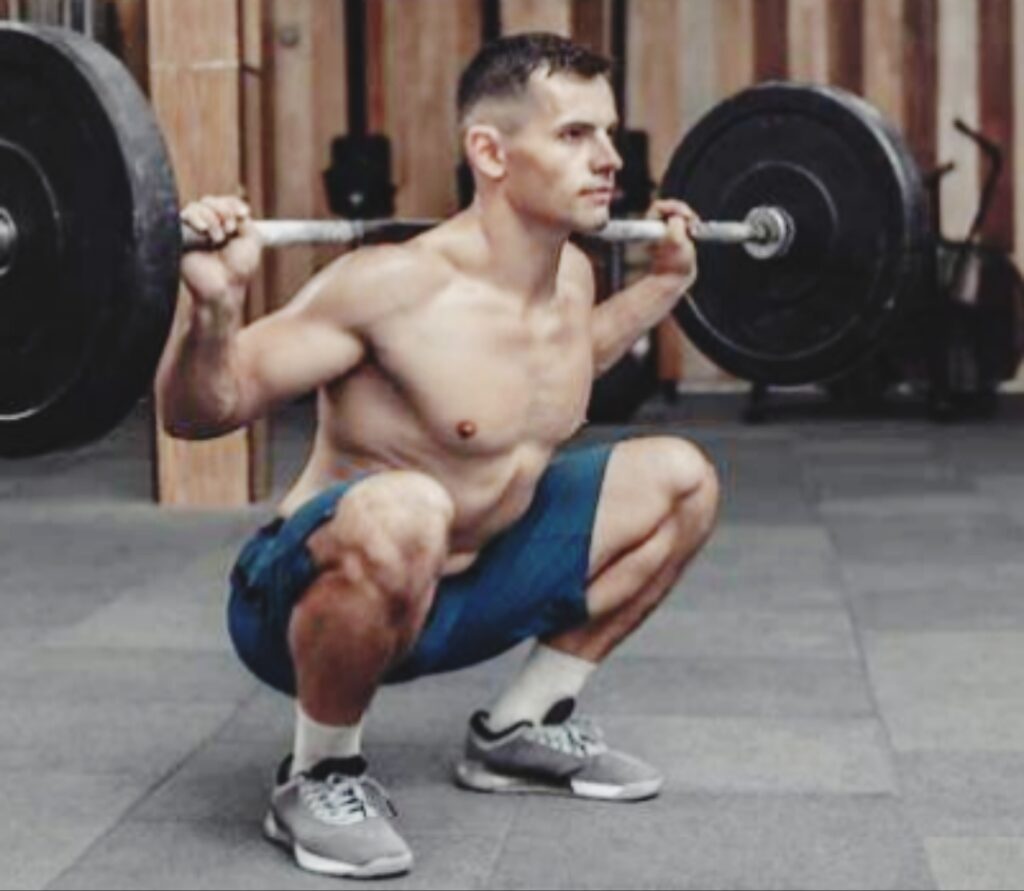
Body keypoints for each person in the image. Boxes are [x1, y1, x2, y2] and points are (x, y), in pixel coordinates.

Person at [158, 32, 719, 881]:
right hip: (309, 605)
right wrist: (212, 313)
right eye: (574, 135)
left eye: (607, 133)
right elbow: (202, 412)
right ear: (489, 152)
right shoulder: (388, 286)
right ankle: (317, 771)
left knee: (682, 479)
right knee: (409, 503)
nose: (608, 159)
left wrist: (660, 290)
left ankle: (518, 731)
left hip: (459, 588)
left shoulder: (570, 278)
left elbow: (548, 373)